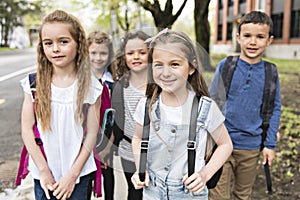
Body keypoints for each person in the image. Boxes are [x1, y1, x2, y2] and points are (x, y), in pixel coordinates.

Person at [130, 28, 233, 200]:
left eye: (174, 64)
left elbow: (225, 144)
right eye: (158, 65)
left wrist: (205, 174)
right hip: (152, 192)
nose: (166, 72)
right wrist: (141, 168)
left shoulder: (205, 108)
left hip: (190, 194)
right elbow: (138, 138)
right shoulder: (146, 106)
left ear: (191, 67)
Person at [20, 10, 102, 200]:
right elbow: (26, 129)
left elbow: (91, 133)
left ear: (79, 44)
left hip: (78, 175)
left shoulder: (91, 87)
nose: (55, 48)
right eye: (48, 43)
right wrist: (43, 170)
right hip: (44, 174)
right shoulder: (33, 84)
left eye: (63, 41)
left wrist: (72, 175)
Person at [208, 11, 281, 200]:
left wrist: (270, 144)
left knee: (242, 195)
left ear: (269, 40)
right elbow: (211, 101)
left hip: (251, 146)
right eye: (247, 36)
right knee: (217, 196)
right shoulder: (227, 65)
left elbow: (275, 109)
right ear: (238, 37)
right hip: (221, 144)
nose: (253, 42)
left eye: (260, 37)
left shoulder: (271, 72)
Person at [111, 30, 150, 200]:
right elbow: (118, 121)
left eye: (142, 53)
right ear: (124, 56)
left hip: (157, 151)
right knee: (135, 192)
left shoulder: (161, 83)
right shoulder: (120, 86)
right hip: (128, 150)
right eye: (130, 53)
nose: (136, 57)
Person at [87, 31, 117, 200]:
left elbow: (115, 116)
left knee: (108, 173)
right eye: (93, 53)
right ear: (86, 53)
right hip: (85, 138)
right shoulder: (82, 79)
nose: (98, 58)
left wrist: (108, 144)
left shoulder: (113, 81)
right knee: (87, 177)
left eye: (103, 53)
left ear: (109, 55)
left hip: (107, 137)